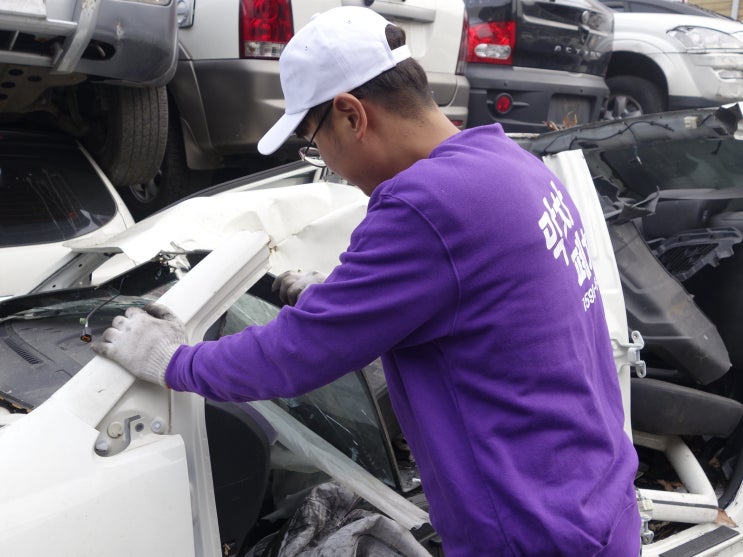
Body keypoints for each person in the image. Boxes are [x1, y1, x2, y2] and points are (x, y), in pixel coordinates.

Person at [92, 6, 641, 556]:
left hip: (531, 533)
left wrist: (173, 360)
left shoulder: (426, 204)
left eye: (313, 142)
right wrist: (343, 301)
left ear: (351, 114)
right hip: (598, 506)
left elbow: (296, 355)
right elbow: (488, 309)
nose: (325, 161)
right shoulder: (512, 166)